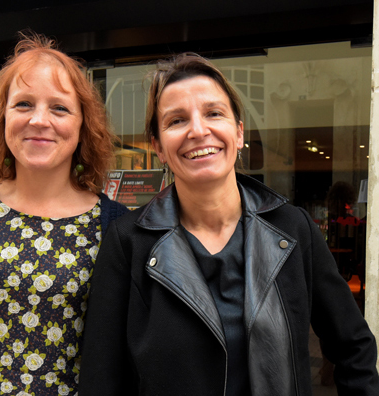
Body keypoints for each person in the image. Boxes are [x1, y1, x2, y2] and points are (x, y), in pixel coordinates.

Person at [79, 53, 379, 395]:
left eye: (213, 113)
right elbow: (101, 378)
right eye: (177, 120)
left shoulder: (293, 229)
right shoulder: (128, 242)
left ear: (238, 133)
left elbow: (354, 347)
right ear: (158, 147)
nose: (198, 130)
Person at [0, 33, 128, 396]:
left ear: (83, 126)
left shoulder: (116, 227)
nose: (39, 120)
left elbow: (122, 350)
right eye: (24, 104)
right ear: (2, 118)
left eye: (59, 108)